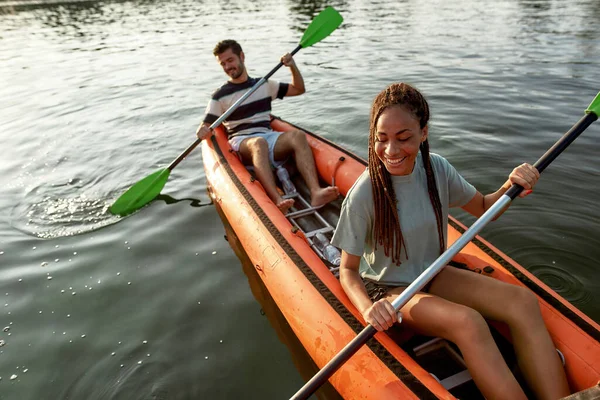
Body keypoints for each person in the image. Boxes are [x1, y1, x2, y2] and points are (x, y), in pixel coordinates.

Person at [331, 82, 570, 400]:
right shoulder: (365, 192)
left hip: (433, 273)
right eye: (381, 139)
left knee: (522, 302)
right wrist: (368, 308)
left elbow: (485, 208)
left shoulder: (436, 168)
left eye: (403, 138)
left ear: (423, 132)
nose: (391, 150)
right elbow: (348, 270)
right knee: (469, 322)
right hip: (391, 291)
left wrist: (512, 185)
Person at [196, 39, 339, 213]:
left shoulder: (263, 85)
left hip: (268, 136)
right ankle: (276, 198)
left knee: (297, 136)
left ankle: (316, 192)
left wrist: (292, 66)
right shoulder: (219, 96)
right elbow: (206, 124)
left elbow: (298, 89)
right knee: (258, 143)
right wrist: (202, 129)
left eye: (230, 60)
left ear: (242, 56)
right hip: (242, 141)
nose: (227, 67)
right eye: (223, 64)